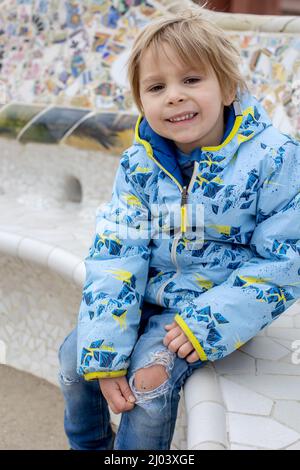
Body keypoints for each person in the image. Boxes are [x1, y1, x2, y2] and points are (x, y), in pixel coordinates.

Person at [58, 8, 300, 450]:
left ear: (227, 87)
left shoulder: (274, 159)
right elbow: (116, 250)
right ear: (142, 102)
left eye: (191, 80)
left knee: (150, 382)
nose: (173, 96)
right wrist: (105, 348)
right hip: (145, 293)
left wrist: (206, 323)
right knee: (77, 363)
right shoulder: (139, 163)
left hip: (210, 306)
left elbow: (285, 259)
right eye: (156, 87)